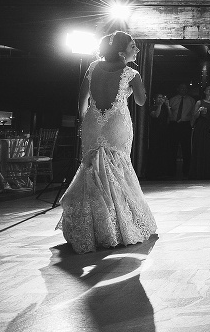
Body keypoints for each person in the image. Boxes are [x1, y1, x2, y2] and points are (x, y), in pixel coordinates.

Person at [57, 31, 156, 254]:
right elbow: (141, 102)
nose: (137, 50)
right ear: (122, 52)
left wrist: (86, 122)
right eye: (133, 46)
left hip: (93, 122)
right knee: (117, 170)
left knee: (91, 170)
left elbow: (82, 100)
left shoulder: (92, 67)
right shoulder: (132, 74)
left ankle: (89, 228)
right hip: (116, 124)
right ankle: (116, 227)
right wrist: (137, 88)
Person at [190, 84, 210, 179]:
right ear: (205, 91)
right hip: (201, 127)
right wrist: (199, 111)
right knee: (200, 148)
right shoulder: (199, 102)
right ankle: (199, 172)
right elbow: (194, 116)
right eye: (208, 89)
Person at [168, 83, 195, 178]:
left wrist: (191, 124)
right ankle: (172, 172)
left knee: (186, 149)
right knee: (172, 149)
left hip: (185, 125)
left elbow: (193, 114)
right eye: (181, 88)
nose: (183, 90)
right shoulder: (172, 100)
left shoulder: (191, 100)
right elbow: (169, 112)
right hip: (174, 125)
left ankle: (186, 172)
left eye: (185, 88)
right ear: (178, 89)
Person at [148, 92, 171, 179]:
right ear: (155, 99)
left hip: (164, 131)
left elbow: (171, 117)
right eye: (159, 97)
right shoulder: (152, 107)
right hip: (155, 131)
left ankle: (162, 172)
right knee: (154, 151)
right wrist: (160, 106)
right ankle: (153, 173)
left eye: (162, 98)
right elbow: (156, 115)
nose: (161, 99)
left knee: (163, 151)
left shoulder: (165, 108)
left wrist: (167, 106)